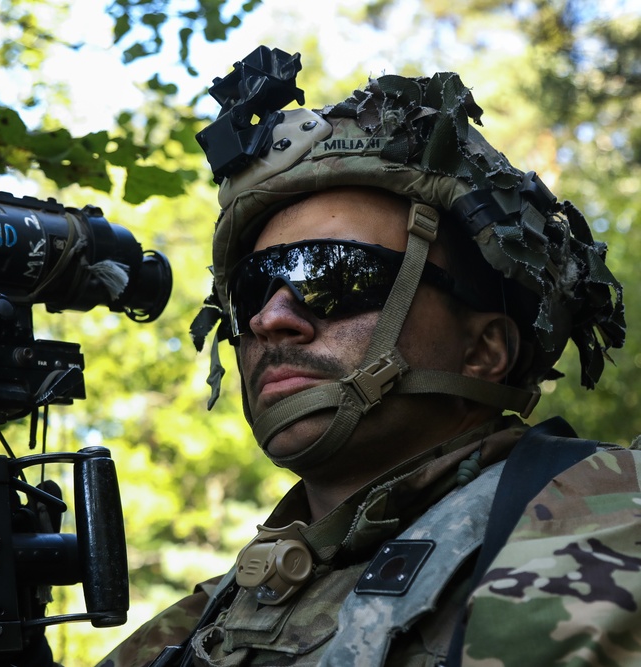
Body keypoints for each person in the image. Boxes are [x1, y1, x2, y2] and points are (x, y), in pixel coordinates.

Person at [96, 47, 640, 666]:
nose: (269, 318)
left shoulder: (607, 523)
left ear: (486, 350)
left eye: (334, 276)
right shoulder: (203, 622)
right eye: (253, 286)